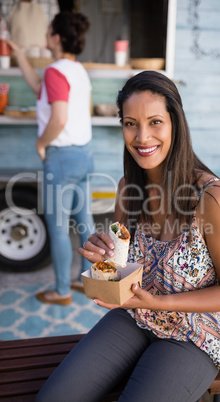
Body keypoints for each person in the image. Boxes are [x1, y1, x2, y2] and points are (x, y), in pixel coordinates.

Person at [35, 71, 220, 401]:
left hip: (194, 334)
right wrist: (103, 258)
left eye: (155, 122)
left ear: (175, 123)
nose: (142, 136)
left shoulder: (213, 199)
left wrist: (161, 303)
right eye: (131, 123)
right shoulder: (127, 189)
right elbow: (120, 264)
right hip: (135, 316)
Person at [8, 11, 95, 305]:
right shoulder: (76, 70)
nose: (46, 36)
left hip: (61, 157)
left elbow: (58, 118)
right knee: (84, 223)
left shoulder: (56, 71)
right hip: (84, 155)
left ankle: (61, 291)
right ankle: (88, 279)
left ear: (57, 38)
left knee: (58, 229)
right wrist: (18, 52)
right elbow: (37, 87)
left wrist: (41, 143)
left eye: (48, 32)